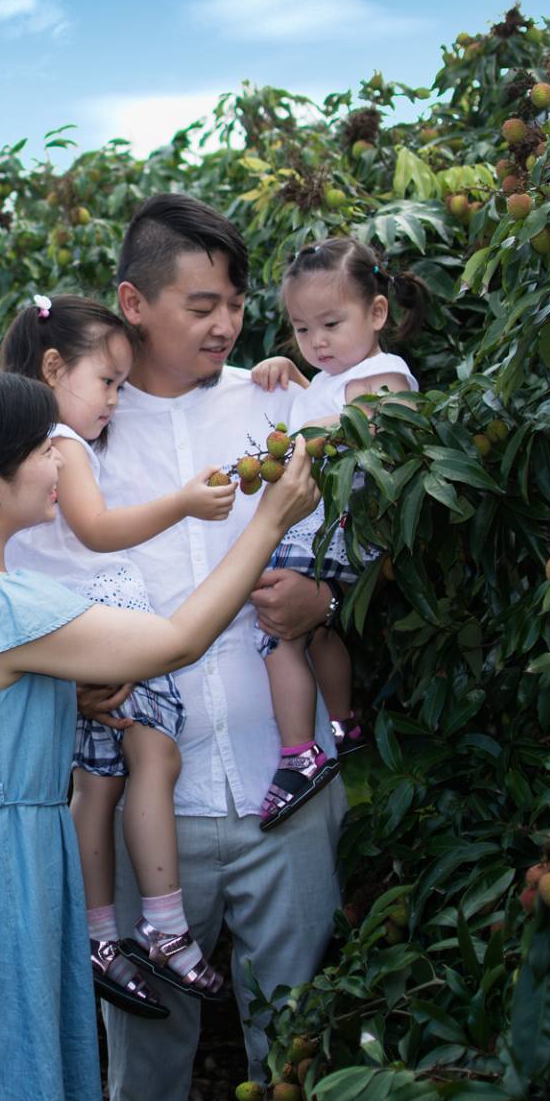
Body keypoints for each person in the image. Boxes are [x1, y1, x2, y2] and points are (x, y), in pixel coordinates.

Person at [0, 367, 318, 1101]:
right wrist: (270, 520)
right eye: (45, 449)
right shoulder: (8, 609)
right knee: (2, 1070)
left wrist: (54, 694)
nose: (62, 461)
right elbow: (174, 642)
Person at [93, 194, 354, 1101]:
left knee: (300, 1051)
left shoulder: (277, 406)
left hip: (284, 792)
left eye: (235, 304)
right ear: (134, 304)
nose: (226, 323)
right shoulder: (81, 433)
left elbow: (356, 546)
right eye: (200, 306)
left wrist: (325, 595)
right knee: (146, 1065)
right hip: (143, 809)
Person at [0, 293, 238, 1019]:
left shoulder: (10, 450)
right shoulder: (61, 444)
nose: (115, 399)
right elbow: (98, 531)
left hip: (60, 637)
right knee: (157, 759)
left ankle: (100, 937)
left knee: (94, 789)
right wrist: (183, 503)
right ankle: (166, 926)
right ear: (52, 367)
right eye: (107, 382)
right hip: (105, 622)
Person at [245, 236, 427, 828]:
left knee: (276, 637)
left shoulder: (384, 373)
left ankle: (300, 752)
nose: (316, 341)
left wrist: (295, 432)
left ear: (376, 313)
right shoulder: (331, 375)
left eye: (330, 323)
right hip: (324, 527)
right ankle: (343, 724)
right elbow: (322, 403)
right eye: (301, 330)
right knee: (317, 633)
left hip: (342, 527)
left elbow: (362, 421)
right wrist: (293, 376)